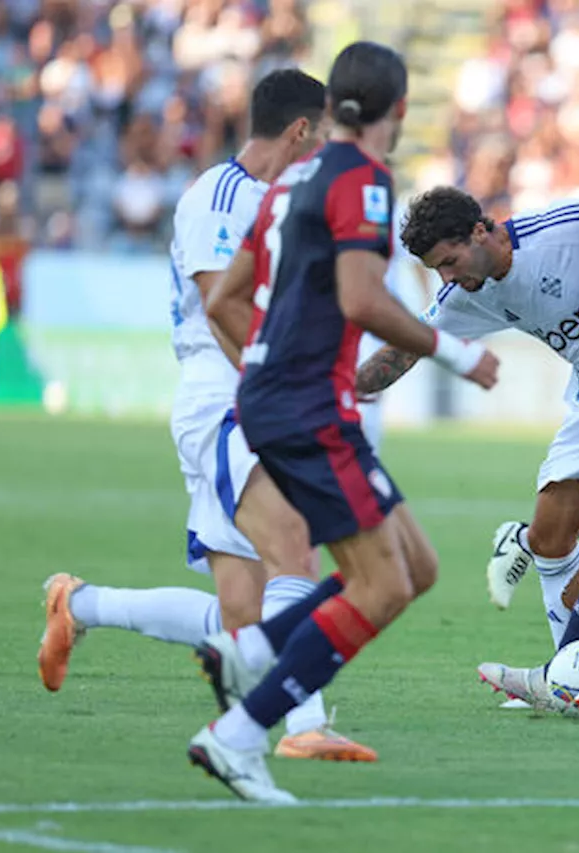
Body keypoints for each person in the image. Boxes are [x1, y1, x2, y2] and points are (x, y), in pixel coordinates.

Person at [184, 41, 499, 803]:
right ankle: (238, 734)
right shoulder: (362, 178)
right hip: (310, 404)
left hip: (283, 398)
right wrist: (456, 354)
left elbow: (225, 299)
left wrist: (262, 367)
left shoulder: (292, 179)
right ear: (398, 110)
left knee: (415, 567)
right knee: (382, 584)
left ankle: (251, 651)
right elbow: (360, 297)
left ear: (333, 109)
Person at [36, 69, 371, 762]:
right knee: (294, 544)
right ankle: (303, 722)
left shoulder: (287, 200)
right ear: (301, 129)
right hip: (228, 393)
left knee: (243, 614)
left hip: (255, 390)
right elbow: (223, 306)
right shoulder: (220, 197)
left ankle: (81, 603)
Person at [353, 186, 579, 710]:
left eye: (450, 261)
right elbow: (407, 349)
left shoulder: (570, 227)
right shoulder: (465, 292)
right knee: (549, 536)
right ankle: (569, 676)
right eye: (436, 269)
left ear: (479, 232)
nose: (447, 277)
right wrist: (341, 387)